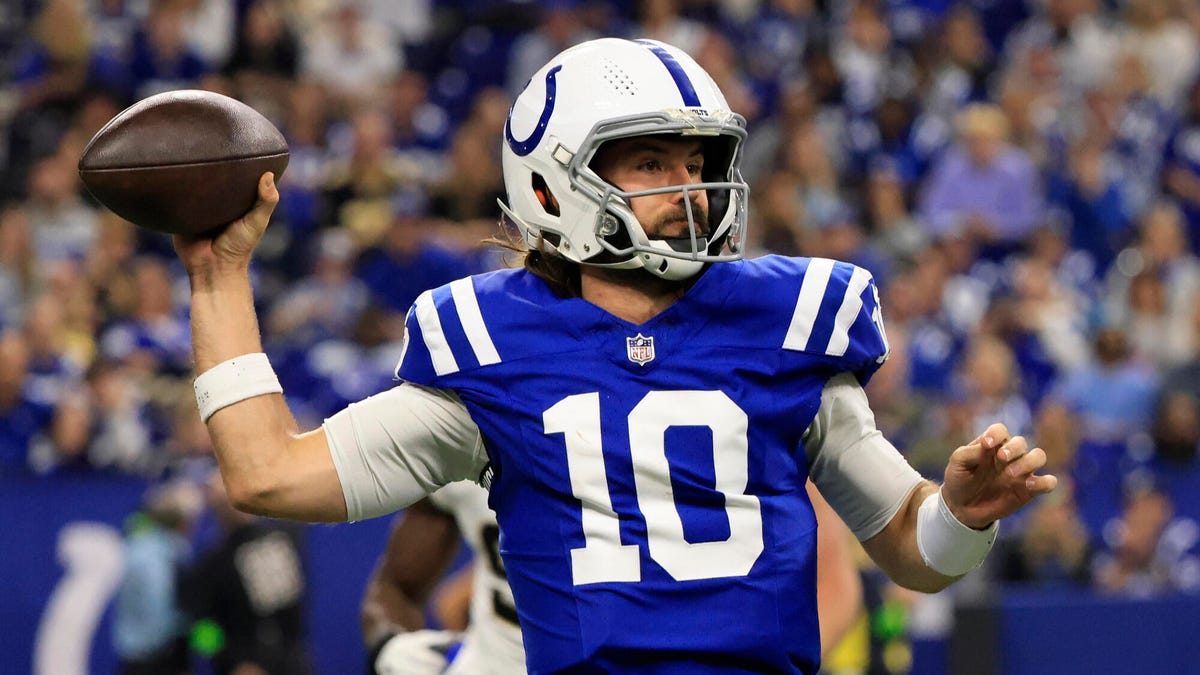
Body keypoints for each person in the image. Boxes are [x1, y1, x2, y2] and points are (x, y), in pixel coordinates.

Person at [174, 38, 1056, 674]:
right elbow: (267, 476)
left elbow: (914, 554)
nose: (688, 186)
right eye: (649, 160)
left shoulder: (782, 325)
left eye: (697, 157)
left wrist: (961, 514)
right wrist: (219, 277)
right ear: (553, 182)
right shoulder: (492, 349)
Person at [360, 480, 861, 675]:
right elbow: (404, 589)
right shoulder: (470, 413)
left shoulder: (707, 409)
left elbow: (833, 586)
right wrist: (394, 647)